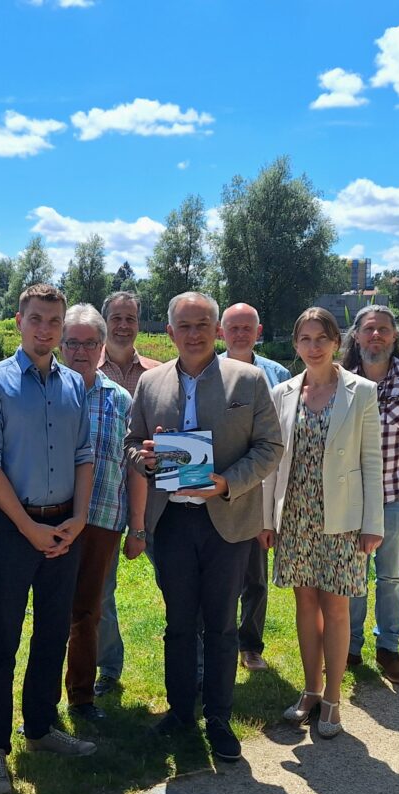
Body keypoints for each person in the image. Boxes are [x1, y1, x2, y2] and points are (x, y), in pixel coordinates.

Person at [127, 291, 282, 763]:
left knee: (220, 627)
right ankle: (179, 711)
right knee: (178, 623)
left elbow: (270, 447)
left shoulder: (249, 379)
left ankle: (218, 717)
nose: (193, 334)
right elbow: (133, 443)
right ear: (169, 332)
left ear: (216, 330)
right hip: (171, 523)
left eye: (202, 325)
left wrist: (227, 483)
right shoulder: (150, 383)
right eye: (184, 326)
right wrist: (146, 459)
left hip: (228, 523)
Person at [0, 283, 97, 794]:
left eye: (54, 322)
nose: (46, 330)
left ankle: (41, 729)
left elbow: (84, 452)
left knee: (53, 633)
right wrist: (29, 528)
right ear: (19, 320)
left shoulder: (74, 384)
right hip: (14, 530)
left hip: (66, 526)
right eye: (37, 319)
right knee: (3, 639)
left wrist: (81, 517)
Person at [260, 308, 384, 738]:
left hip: (343, 518)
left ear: (336, 342)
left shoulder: (361, 392)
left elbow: (372, 461)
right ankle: (310, 690)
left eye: (321, 338)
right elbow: (274, 461)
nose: (313, 347)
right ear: (295, 345)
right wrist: (266, 518)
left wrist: (373, 524)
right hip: (295, 514)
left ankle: (333, 697)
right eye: (305, 339)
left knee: (335, 607)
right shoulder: (283, 393)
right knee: (304, 604)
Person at [340, 305, 399, 685]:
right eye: (368, 330)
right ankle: (350, 645)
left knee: (391, 575)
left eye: (383, 329)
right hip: (352, 496)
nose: (375, 336)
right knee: (353, 574)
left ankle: (389, 647)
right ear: (357, 336)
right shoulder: (342, 379)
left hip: (398, 494)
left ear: (395, 336)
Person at [58, 304, 135, 726]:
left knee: (88, 611)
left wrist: (136, 526)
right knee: (53, 613)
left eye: (90, 343)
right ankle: (41, 702)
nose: (80, 351)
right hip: (50, 519)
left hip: (104, 518)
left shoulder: (120, 398)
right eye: (72, 342)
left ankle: (82, 697)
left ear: (102, 346)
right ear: (61, 344)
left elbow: (131, 463)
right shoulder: (46, 392)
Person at [219, 302, 293, 672]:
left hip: (260, 489)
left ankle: (250, 645)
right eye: (233, 327)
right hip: (218, 488)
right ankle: (218, 643)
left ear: (258, 332)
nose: (240, 333)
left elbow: (280, 437)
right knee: (219, 576)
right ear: (221, 331)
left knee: (255, 575)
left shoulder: (277, 374)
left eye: (247, 327)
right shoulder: (209, 370)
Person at [94, 291, 161, 696]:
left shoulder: (159, 374)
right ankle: (108, 667)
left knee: (178, 582)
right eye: (116, 318)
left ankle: (194, 662)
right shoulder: (80, 367)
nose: (123, 325)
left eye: (130, 318)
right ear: (105, 322)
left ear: (139, 322)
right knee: (100, 589)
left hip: (157, 496)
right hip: (101, 495)